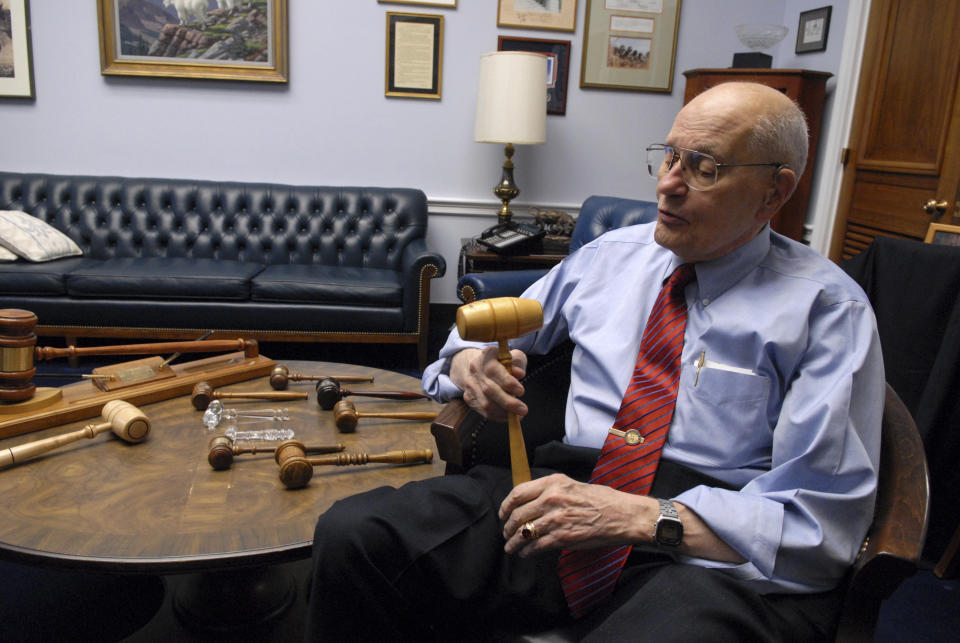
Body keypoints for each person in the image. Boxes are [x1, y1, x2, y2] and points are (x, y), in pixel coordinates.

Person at [305, 82, 884, 642]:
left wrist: (639, 516)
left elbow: (818, 528)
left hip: (696, 545)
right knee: (355, 535)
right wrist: (468, 366)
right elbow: (469, 342)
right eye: (669, 157)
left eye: (704, 167)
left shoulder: (827, 313)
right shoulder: (609, 258)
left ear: (774, 192)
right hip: (561, 489)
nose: (669, 185)